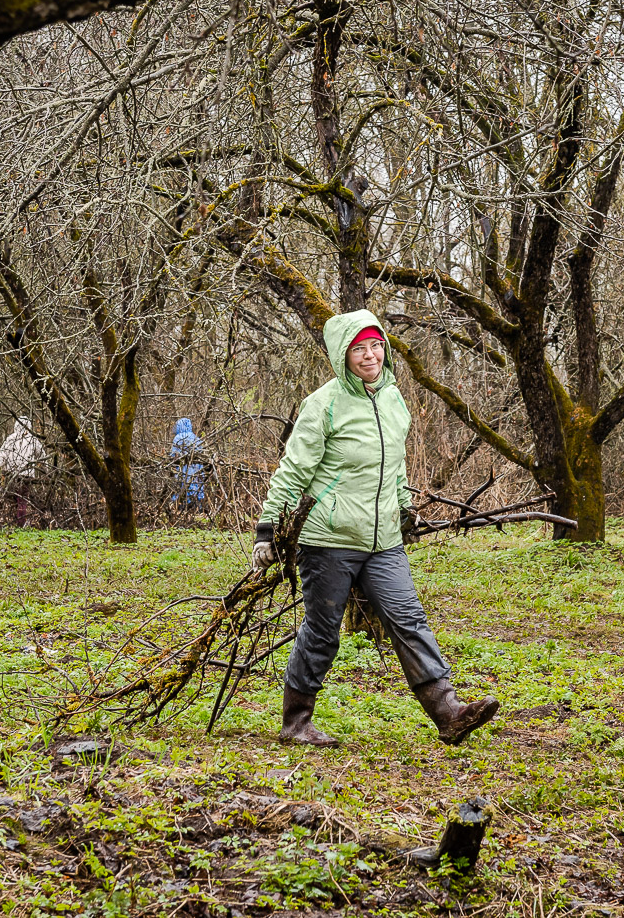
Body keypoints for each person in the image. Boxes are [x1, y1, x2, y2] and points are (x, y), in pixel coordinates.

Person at [251, 309, 499, 747]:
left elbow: (396, 466)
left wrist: (403, 510)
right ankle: (296, 724)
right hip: (328, 538)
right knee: (322, 631)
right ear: (342, 355)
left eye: (376, 345)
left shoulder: (392, 399)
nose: (370, 355)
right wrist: (268, 528)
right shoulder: (323, 404)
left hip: (383, 539)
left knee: (409, 619)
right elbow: (293, 470)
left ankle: (448, 713)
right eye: (359, 348)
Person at [169, 417, 208, 512]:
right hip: (196, 469)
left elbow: (174, 455)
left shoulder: (177, 438)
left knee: (182, 485)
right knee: (195, 486)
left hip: (183, 468)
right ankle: (197, 507)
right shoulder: (196, 438)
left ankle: (181, 506)